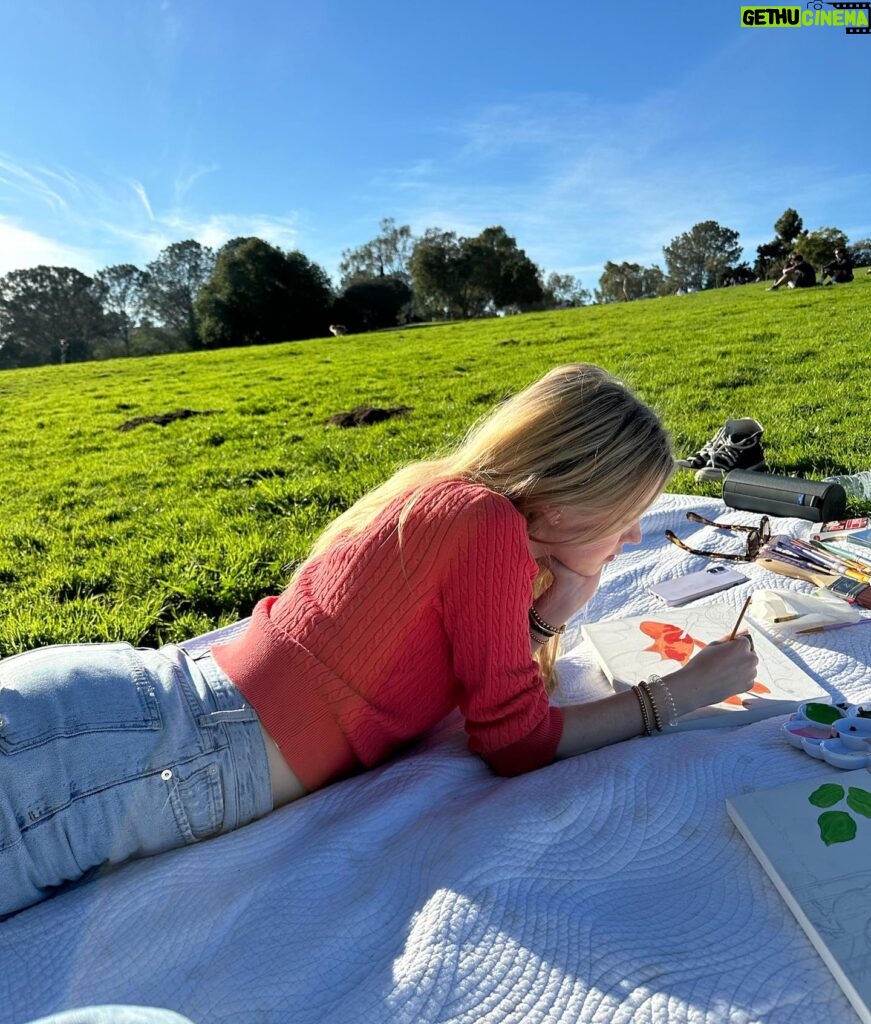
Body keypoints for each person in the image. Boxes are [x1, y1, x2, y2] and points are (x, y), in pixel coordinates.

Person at [0, 364, 757, 918]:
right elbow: (515, 740)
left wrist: (553, 610)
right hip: (145, 751)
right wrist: (675, 694)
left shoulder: (451, 501)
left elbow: (485, 689)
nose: (632, 536)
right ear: (564, 506)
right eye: (626, 513)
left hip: (136, 721)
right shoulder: (484, 523)